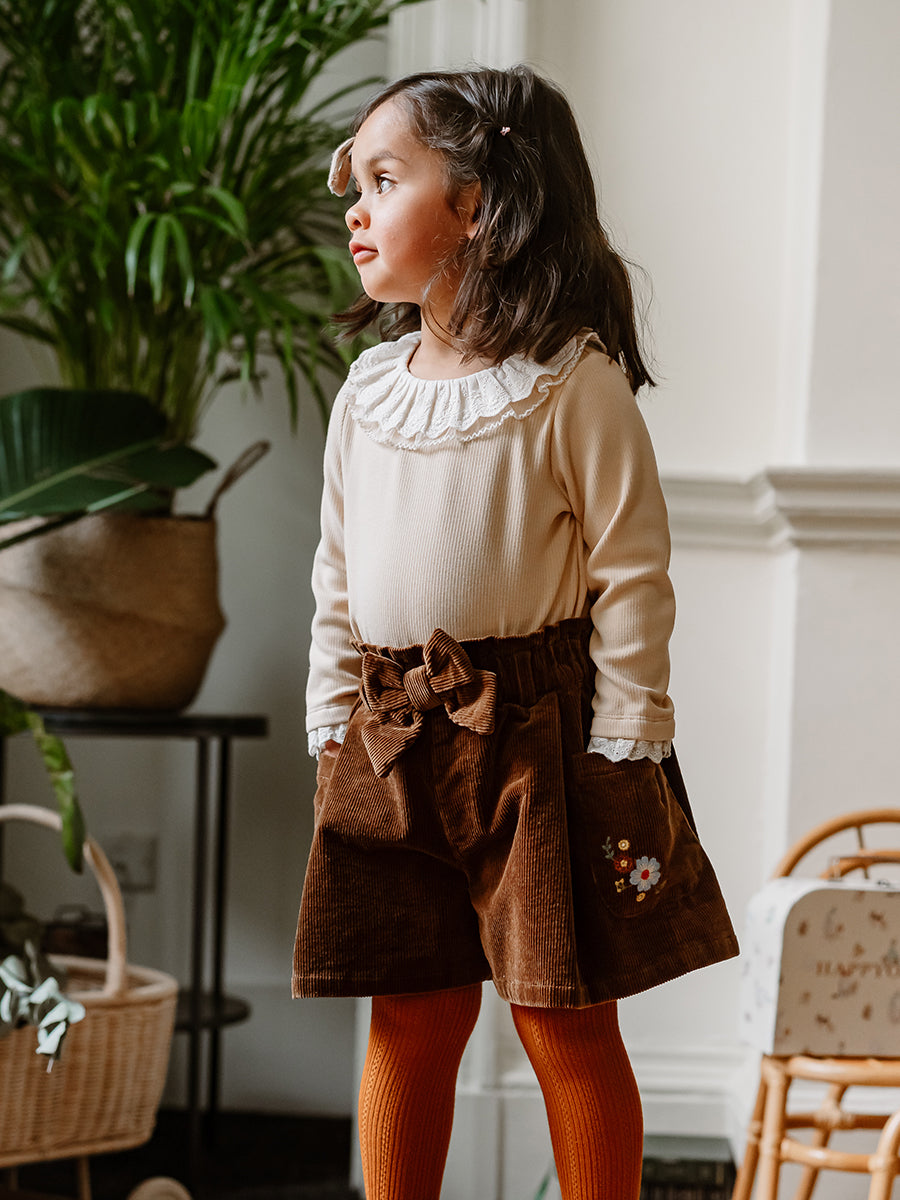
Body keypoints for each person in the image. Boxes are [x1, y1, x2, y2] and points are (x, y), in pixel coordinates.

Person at [293, 65, 738, 1200]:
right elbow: (337, 576)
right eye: (357, 186)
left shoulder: (569, 383)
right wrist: (330, 726)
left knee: (562, 1017)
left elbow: (632, 574)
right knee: (409, 1014)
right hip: (390, 735)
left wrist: (626, 739)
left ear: (476, 203)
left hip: (537, 742)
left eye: (383, 180)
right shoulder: (367, 393)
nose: (355, 210)